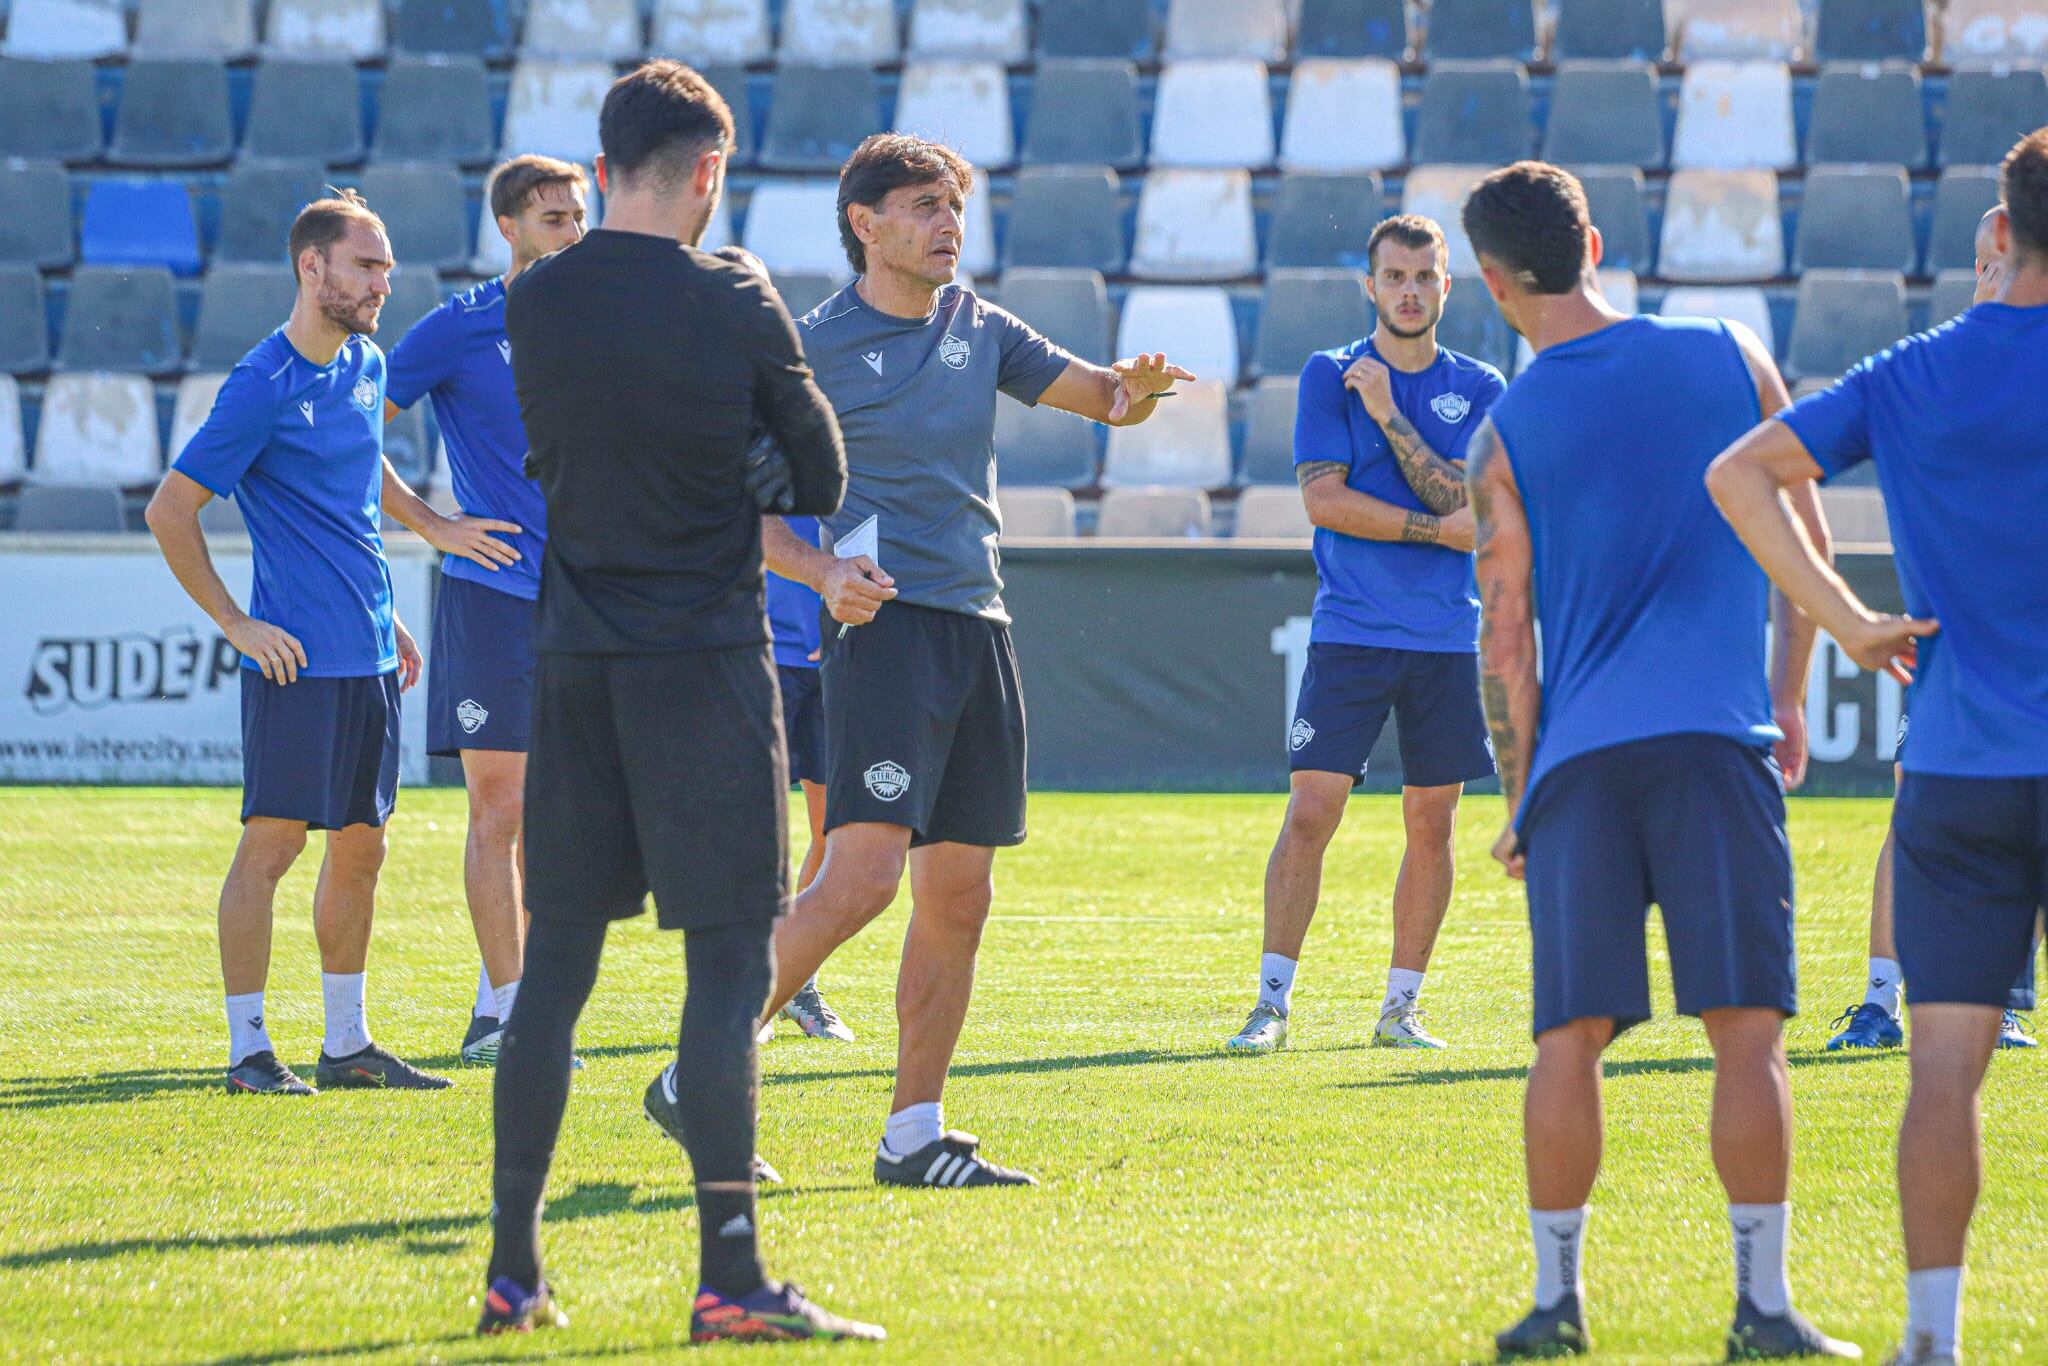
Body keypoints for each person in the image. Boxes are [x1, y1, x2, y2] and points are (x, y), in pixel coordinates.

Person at [475, 61, 880, 1344]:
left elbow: (551, 455)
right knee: (723, 966)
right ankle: (728, 1275)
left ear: (601, 170)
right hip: (705, 660)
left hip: (574, 664)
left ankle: (511, 1269)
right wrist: (747, 448)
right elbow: (818, 466)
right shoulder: (733, 289)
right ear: (707, 170)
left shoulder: (535, 299)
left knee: (554, 975)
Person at [1462, 162, 1855, 1359]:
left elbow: (1503, 631)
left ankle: (1553, 1303)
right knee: (1746, 1032)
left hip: (1581, 761)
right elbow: (1803, 547)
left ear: (1489, 281)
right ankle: (1761, 1308)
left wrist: (1521, 787)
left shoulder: (1503, 430)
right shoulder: (1730, 353)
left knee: (1565, 1038)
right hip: (1712, 744)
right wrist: (1785, 700)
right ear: (1590, 239)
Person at [751, 133, 1193, 1189]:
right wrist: (820, 575)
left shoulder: (976, 322)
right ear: (865, 224)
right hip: (885, 628)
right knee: (856, 880)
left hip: (978, 627)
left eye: (953, 206)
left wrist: (1133, 387)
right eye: (922, 208)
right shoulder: (809, 349)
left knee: (957, 898)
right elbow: (739, 511)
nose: (947, 225)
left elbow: (1103, 399)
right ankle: (703, 1055)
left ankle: (913, 1134)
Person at [1706, 127, 2048, 1366]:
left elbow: (1739, 473)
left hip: (1956, 766)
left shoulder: (1913, 370)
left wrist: (1847, 622)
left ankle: (1927, 1339)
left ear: (1998, 235)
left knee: (1942, 1073)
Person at [146, 190, 517, 1097]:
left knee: (363, 846)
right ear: (312, 268)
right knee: (272, 849)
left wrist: (411, 553)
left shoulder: (363, 362)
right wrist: (238, 624)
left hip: (370, 657)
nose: (385, 282)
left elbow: (362, 469)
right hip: (296, 662)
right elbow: (171, 509)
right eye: (367, 265)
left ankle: (347, 1044)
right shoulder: (259, 384)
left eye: (386, 265)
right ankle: (247, 1052)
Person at [1225, 214, 1502, 1056]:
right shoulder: (1328, 373)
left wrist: (1387, 415)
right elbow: (1326, 503)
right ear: (1371, 286)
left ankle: (1400, 1008)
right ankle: (1271, 1004)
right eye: (1395, 277)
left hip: (1449, 640)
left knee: (1433, 823)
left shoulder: (1483, 385)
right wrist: (1431, 524)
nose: (1410, 291)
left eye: (1425, 277)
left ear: (1446, 287)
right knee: (1312, 810)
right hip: (1350, 631)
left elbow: (1470, 504)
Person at [383, 154, 589, 1065]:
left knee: (559, 819)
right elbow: (351, 427)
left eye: (580, 217)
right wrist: (432, 522)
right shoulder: (461, 327)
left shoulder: (612, 324)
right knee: (498, 808)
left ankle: (500, 1006)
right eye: (553, 219)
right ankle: (515, 1017)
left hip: (591, 602)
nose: (571, 234)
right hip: (496, 596)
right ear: (507, 228)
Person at [1825, 204, 2038, 1055]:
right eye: (1988, 261)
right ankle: (1880, 1000)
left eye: (2011, 260)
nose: (1998, 274)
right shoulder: (1943, 370)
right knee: (1913, 809)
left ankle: (2003, 999)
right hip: (1953, 642)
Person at [712, 244, 856, 1045]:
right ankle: (743, 985)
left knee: (839, 838)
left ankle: (791, 980)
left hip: (828, 643)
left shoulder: (814, 393)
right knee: (755, 833)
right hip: (749, 644)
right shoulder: (705, 404)